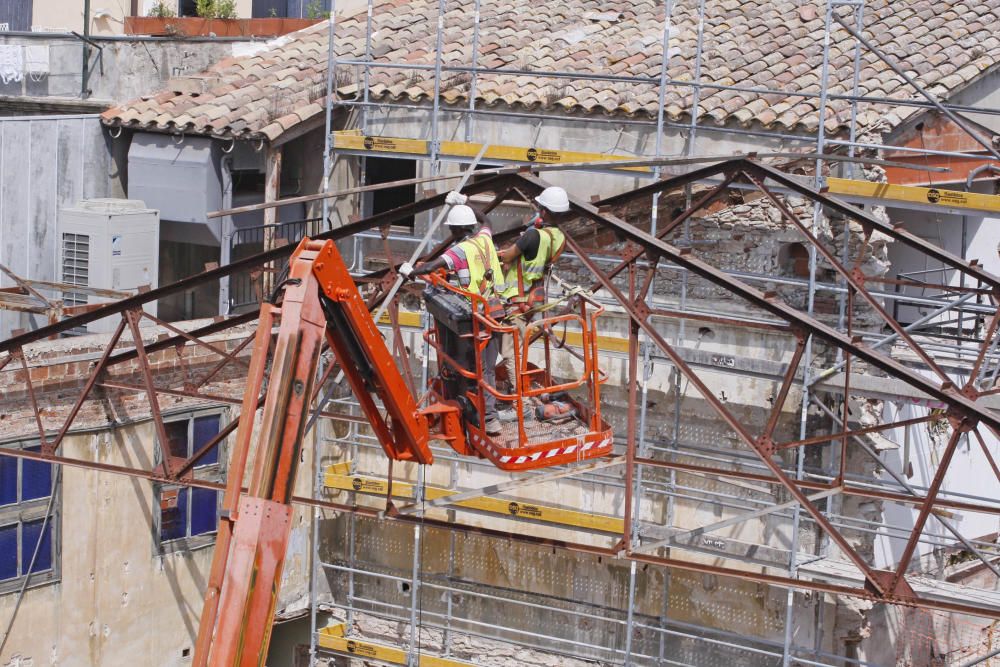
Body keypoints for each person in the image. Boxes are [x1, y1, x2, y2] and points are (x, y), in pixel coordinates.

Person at [400, 191, 508, 435]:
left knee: (469, 366)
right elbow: (487, 222)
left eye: (453, 230)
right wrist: (466, 203)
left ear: (458, 230)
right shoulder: (485, 239)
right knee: (487, 368)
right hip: (494, 311)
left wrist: (410, 272)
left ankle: (481, 414)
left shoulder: (459, 251)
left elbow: (430, 266)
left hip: (472, 317)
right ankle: (491, 418)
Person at [495, 186, 568, 415]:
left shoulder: (533, 235)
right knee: (517, 347)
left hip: (515, 299)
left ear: (544, 211)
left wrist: (493, 253)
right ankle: (514, 390)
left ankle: (520, 404)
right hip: (531, 299)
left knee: (509, 352)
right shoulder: (559, 237)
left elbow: (508, 256)